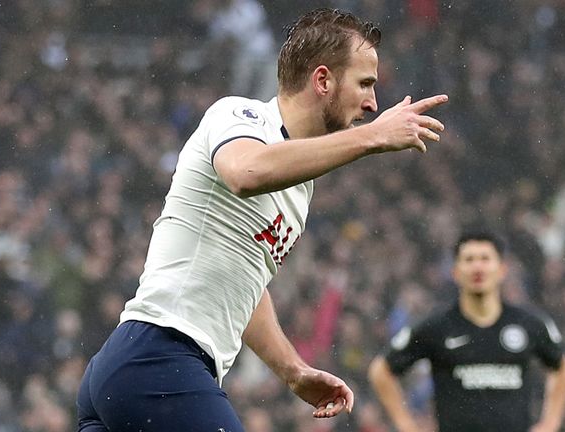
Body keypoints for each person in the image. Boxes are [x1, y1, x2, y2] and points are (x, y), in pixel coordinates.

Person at [76, 7, 449, 432]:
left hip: (135, 372)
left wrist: (292, 370)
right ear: (323, 80)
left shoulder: (299, 185)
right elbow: (244, 172)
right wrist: (373, 136)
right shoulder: (240, 116)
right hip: (159, 356)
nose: (372, 103)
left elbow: (246, 281)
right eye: (364, 83)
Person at [368, 230, 565, 432]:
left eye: (485, 259)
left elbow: (563, 365)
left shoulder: (528, 323)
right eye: (469, 259)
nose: (478, 267)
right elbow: (381, 371)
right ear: (455, 272)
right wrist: (407, 425)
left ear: (502, 269)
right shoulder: (436, 326)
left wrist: (550, 424)